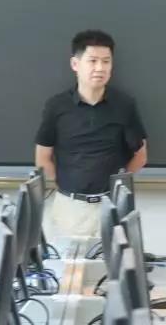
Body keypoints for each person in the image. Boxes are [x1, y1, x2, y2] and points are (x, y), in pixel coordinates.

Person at [34, 29, 148, 236]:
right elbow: (43, 158)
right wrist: (68, 187)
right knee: (66, 258)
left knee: (116, 258)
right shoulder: (56, 106)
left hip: (113, 205)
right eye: (92, 61)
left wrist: (117, 187)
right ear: (75, 64)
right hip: (69, 208)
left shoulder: (125, 105)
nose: (100, 68)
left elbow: (140, 156)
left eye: (106, 61)